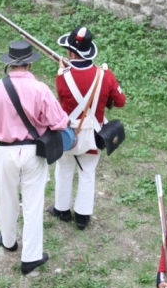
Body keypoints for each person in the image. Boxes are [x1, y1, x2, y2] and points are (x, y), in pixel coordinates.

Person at [0, 40, 70, 275]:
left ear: (9, 63)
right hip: (34, 151)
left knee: (5, 198)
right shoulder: (41, 89)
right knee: (33, 203)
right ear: (29, 63)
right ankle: (30, 257)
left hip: (4, 150)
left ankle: (8, 240)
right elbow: (59, 122)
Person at [48, 26, 126, 230]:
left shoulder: (62, 75)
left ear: (73, 53)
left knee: (64, 170)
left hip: (66, 134)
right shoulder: (105, 75)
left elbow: (62, 99)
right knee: (87, 172)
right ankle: (82, 217)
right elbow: (121, 101)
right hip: (93, 135)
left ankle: (61, 209)